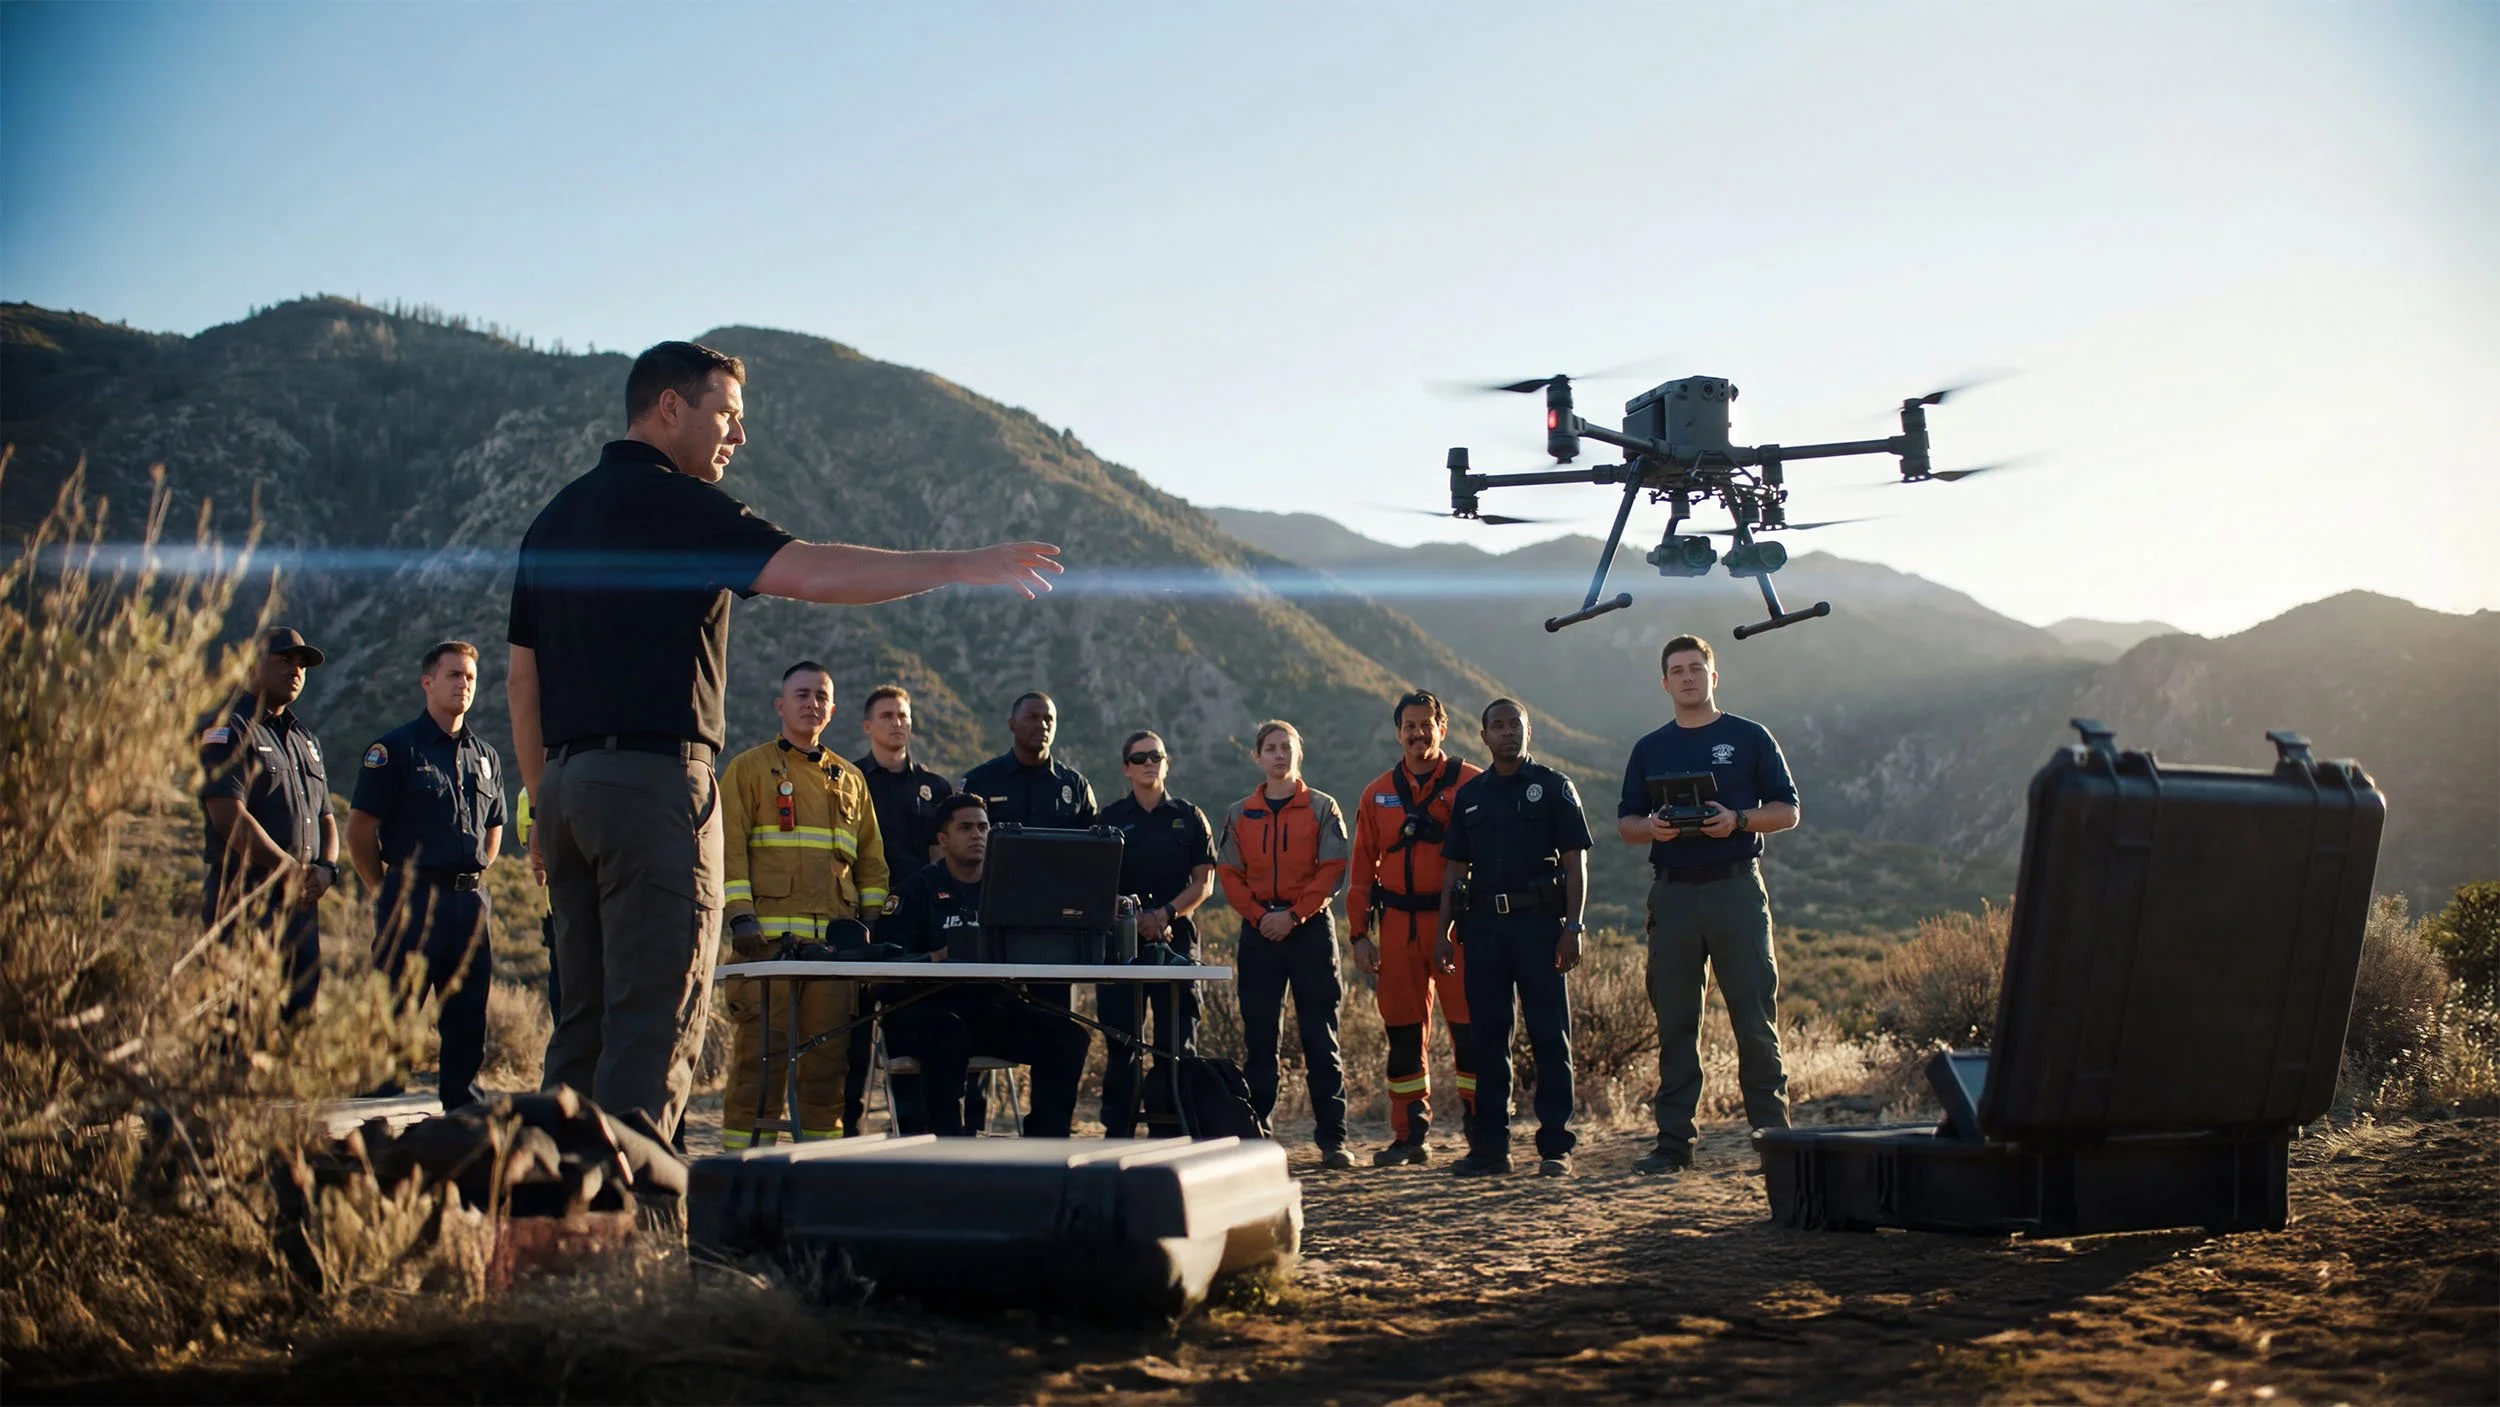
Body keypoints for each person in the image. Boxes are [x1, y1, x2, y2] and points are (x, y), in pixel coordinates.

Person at [507, 339, 1060, 1140]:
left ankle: (555, 1221)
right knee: (652, 1019)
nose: (738, 436)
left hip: (563, 791)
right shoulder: (680, 504)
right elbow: (813, 571)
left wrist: (543, 799)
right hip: (652, 791)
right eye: (726, 414)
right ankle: (634, 1234)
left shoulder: (550, 520)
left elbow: (522, 681)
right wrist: (957, 563)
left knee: (581, 1024)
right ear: (669, 408)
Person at [1616, 634, 1801, 1173]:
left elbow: (1788, 810)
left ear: (1713, 677)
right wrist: (1652, 827)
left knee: (1754, 1020)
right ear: (1665, 682)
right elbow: (1626, 823)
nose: (1688, 677)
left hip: (1735, 889)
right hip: (1671, 894)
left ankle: (1774, 1142)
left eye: (1697, 668)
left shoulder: (1749, 737)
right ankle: (1674, 1145)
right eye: (1678, 670)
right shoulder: (1650, 748)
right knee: (1675, 1023)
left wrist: (1738, 820)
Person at [716, 661, 889, 1148]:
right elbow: (728, 848)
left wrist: (869, 925)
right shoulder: (749, 769)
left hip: (832, 954)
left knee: (826, 1067)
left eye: (820, 696)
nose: (811, 703)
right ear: (780, 705)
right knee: (758, 1062)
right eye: (801, 694)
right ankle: (739, 1168)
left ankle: (815, 1171)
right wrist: (740, 916)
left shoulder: (851, 779)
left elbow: (872, 861)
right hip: (766, 949)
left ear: (832, 710)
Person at [346, 641, 507, 1109]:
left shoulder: (486, 756)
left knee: (467, 1016)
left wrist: (476, 871)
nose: (463, 685)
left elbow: (493, 827)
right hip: (413, 899)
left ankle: (462, 1111)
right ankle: (376, 1110)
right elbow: (360, 831)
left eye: (470, 678)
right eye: (454, 675)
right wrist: (386, 891)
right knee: (394, 1013)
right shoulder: (395, 749)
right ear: (428, 682)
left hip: (470, 904)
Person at [1438, 699, 1592, 1177]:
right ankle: (1491, 1149)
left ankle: (1555, 1147)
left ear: (1530, 731)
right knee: (1487, 1039)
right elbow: (1454, 869)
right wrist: (1443, 931)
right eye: (1497, 726)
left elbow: (1574, 863)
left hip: (1540, 927)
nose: (1507, 732)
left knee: (1550, 1036)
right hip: (1483, 929)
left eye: (1515, 725)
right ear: (1483, 736)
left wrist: (1572, 926)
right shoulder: (1471, 795)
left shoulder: (1552, 788)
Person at [876, 795, 1089, 1136]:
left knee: (1069, 1037)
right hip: (927, 1012)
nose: (977, 835)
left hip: (991, 1010)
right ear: (943, 839)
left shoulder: (1012, 893)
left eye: (983, 827)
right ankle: (946, 1147)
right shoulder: (914, 892)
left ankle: (1046, 1149)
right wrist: (938, 958)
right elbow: (885, 970)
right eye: (965, 828)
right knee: (948, 1032)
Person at [1345, 689, 1482, 1166]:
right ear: (1397, 731)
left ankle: (1482, 1134)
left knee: (1470, 1033)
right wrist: (1359, 935)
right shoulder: (1376, 792)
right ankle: (1409, 1138)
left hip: (1459, 929)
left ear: (1443, 728)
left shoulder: (1471, 784)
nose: (1418, 732)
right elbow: (1362, 869)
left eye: (1427, 724)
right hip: (1398, 927)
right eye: (1409, 724)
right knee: (1403, 1034)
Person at [1217, 720, 1353, 1169]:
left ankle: (1333, 1140)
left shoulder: (1321, 807)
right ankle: (1258, 1138)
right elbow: (1230, 877)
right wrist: (1262, 918)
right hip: (1259, 934)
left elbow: (1333, 868)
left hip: (1309, 930)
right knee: (1260, 1039)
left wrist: (1293, 916)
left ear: (1299, 754)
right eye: (1270, 748)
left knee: (1321, 1036)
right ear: (1258, 757)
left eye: (1286, 747)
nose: (1279, 755)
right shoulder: (1239, 813)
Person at [197, 627, 338, 1021]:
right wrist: (285, 869)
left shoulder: (304, 740)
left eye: (300, 665)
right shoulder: (228, 729)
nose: (295, 671)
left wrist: (326, 870)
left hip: (300, 903)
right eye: (282, 661)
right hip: (244, 898)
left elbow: (326, 816)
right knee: (236, 1019)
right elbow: (228, 815)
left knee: (298, 1014)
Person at [844, 682, 955, 1134]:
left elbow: (943, 857)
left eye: (904, 715)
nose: (898, 723)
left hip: (917, 925)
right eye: (888, 715)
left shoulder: (935, 786)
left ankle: (913, 1133)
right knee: (852, 1036)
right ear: (868, 725)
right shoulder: (849, 779)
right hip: (861, 919)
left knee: (915, 1029)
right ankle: (847, 1131)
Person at [1096, 730, 1217, 1138]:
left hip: (1176, 942)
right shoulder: (1109, 820)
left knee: (1176, 1045)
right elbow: (1093, 883)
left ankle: (1172, 1131)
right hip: (1120, 944)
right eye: (1140, 757)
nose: (1149, 763)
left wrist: (1164, 914)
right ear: (1125, 767)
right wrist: (1129, 913)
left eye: (1157, 756)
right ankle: (1118, 1134)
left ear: (1167, 763)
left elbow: (1204, 884)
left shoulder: (1190, 816)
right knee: (1121, 1045)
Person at [960, 692, 1097, 829]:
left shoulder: (1076, 786)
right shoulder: (979, 781)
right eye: (1032, 717)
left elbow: (1094, 844)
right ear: (1012, 724)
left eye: (1048, 719)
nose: (1042, 725)